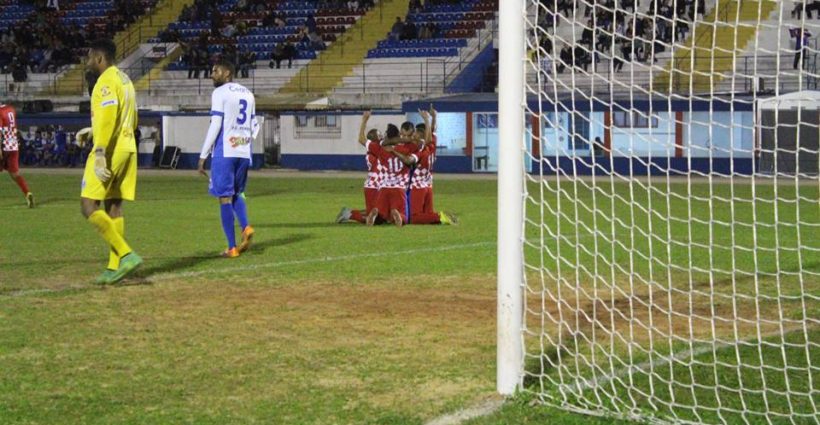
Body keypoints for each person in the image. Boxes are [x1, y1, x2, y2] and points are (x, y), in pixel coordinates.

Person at [78, 38, 142, 284]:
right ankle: (114, 266)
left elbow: (107, 117)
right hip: (128, 147)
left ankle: (126, 254)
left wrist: (101, 151)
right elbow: (131, 118)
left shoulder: (104, 82)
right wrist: (92, 130)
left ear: (99, 59)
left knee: (88, 205)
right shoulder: (125, 80)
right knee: (114, 205)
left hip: (111, 150)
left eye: (90, 57)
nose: (87, 62)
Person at [198, 59, 256, 258]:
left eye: (216, 71)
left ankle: (231, 247)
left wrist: (203, 155)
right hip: (244, 151)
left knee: (224, 198)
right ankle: (246, 226)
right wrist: (244, 142)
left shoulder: (220, 93)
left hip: (225, 152)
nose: (212, 74)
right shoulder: (248, 94)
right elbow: (255, 125)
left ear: (227, 73)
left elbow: (215, 124)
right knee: (237, 193)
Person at [0, 102, 34, 207]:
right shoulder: (11, 109)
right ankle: (27, 193)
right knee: (15, 174)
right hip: (13, 146)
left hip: (3, 146)